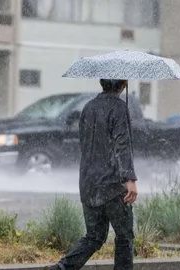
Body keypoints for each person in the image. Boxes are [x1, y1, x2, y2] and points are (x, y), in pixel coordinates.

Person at [47, 79, 138, 270]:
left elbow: (85, 142)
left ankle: (62, 268)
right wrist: (129, 178)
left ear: (102, 82)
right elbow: (122, 145)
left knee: (94, 236)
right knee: (124, 237)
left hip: (89, 182)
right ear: (124, 84)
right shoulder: (120, 108)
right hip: (113, 185)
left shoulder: (88, 107)